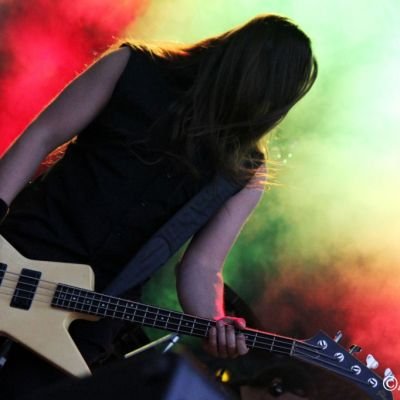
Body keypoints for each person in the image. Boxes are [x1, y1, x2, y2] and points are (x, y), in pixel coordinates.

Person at [0, 13, 317, 398]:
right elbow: (41, 135)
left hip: (93, 311)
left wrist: (214, 322)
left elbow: (203, 266)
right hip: (21, 249)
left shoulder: (244, 169)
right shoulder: (132, 66)